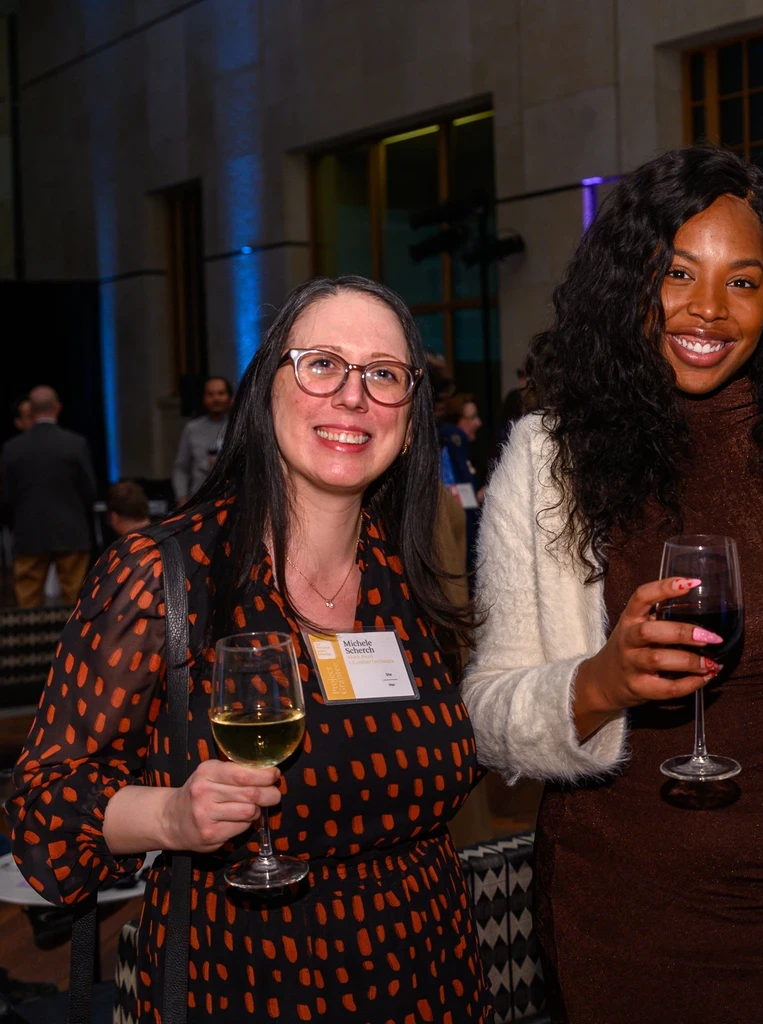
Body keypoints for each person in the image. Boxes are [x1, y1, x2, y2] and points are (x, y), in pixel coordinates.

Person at [463, 145, 763, 1022]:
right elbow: (492, 716)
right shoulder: (553, 458)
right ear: (632, 282)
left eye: (743, 282)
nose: (709, 309)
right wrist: (601, 682)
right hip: (640, 905)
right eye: (679, 273)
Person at [7, 277, 491, 1023]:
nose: (354, 397)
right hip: (248, 981)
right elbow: (43, 812)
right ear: (268, 385)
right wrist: (173, 817)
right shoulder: (163, 575)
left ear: (411, 409)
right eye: (322, 364)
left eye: (384, 375)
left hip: (430, 979)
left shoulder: (409, 576)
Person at [0, 385, 97, 606]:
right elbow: (89, 491)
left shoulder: (12, 448)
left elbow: (6, 496)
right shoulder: (75, 444)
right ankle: (74, 641)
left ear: (30, 411)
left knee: (27, 602)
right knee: (76, 602)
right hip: (71, 532)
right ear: (58, 407)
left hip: (29, 534)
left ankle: (31, 639)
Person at [439, 393, 484, 576]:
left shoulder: (460, 452)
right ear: (457, 421)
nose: (478, 423)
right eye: (471, 418)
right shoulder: (450, 448)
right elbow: (456, 499)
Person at [171, 375, 233, 504]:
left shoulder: (240, 427)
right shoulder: (192, 428)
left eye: (220, 393)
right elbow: (181, 467)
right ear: (204, 399)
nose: (216, 398)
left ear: (230, 398)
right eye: (210, 394)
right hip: (199, 501)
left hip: (233, 500)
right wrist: (181, 497)